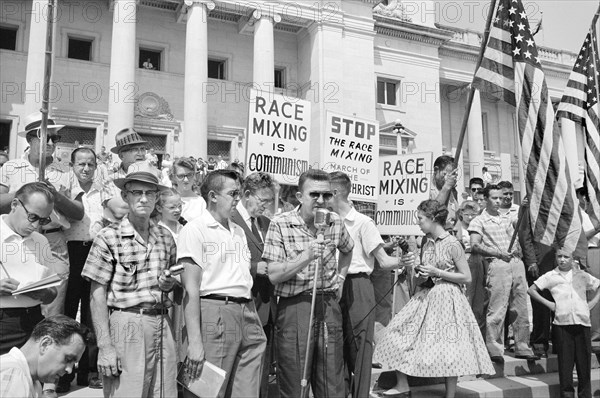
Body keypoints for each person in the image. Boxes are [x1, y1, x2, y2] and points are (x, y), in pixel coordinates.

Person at [373, 200, 494, 398]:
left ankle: (450, 394)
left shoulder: (453, 243)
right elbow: (425, 273)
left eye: (420, 218)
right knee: (397, 333)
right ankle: (402, 385)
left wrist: (438, 272)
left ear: (432, 218)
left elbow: (467, 277)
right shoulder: (426, 242)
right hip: (426, 294)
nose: (418, 222)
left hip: (448, 297)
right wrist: (421, 271)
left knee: (449, 345)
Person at [82, 163, 181, 398]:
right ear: (125, 196)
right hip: (126, 322)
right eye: (137, 192)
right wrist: (105, 347)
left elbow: (173, 282)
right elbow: (96, 295)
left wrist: (169, 284)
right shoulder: (108, 237)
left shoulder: (166, 237)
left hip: (161, 321)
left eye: (150, 193)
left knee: (164, 392)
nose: (144, 199)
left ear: (157, 198)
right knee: (126, 393)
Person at [263, 168, 354, 398]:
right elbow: (273, 274)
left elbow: (348, 249)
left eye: (326, 195)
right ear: (299, 196)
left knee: (331, 380)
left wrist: (341, 278)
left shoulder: (335, 221)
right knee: (296, 380)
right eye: (314, 194)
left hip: (328, 305)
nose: (321, 201)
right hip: (295, 307)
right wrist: (306, 256)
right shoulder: (280, 223)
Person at [178, 170, 266, 398]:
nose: (238, 198)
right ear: (213, 196)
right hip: (215, 311)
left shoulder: (238, 231)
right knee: (206, 390)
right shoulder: (195, 229)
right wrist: (195, 343)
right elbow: (190, 289)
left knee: (246, 392)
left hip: (247, 310)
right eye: (233, 193)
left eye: (239, 192)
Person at [328, 171, 415, 398]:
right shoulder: (326, 220)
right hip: (332, 284)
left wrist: (404, 261)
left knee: (360, 347)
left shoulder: (363, 223)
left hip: (357, 285)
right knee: (337, 345)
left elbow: (384, 261)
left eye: (326, 193)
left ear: (336, 193)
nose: (322, 199)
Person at [0, 113, 84, 323]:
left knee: (52, 309)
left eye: (54, 138)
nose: (50, 143)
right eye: (44, 136)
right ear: (29, 139)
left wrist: (56, 196)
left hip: (53, 243)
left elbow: (78, 213)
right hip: (15, 243)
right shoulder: (11, 167)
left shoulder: (65, 171)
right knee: (15, 301)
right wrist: (24, 192)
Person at [468, 184, 539, 363]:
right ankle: (494, 348)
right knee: (497, 308)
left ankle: (523, 345)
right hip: (497, 263)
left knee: (520, 305)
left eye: (500, 198)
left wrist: (523, 207)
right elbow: (475, 244)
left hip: (516, 262)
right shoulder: (479, 221)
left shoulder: (508, 217)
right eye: (494, 198)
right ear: (485, 199)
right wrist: (497, 253)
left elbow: (522, 225)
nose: (499, 201)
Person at [56, 148, 106, 392]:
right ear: (72, 166)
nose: (86, 169)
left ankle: (89, 372)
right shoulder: (64, 193)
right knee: (67, 312)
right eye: (81, 164)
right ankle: (63, 374)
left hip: (95, 253)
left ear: (96, 166)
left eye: (90, 164)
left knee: (92, 312)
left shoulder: (103, 194)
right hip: (70, 253)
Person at [528, 249, 600, 398]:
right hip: (562, 324)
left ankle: (584, 394)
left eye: (566, 257)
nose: (562, 260)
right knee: (565, 364)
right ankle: (567, 394)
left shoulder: (581, 275)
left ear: (572, 258)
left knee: (584, 364)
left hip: (582, 323)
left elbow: (597, 285)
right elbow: (532, 290)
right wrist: (549, 304)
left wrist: (591, 304)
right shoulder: (551, 276)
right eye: (559, 256)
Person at [230, 172, 276, 398]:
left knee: (261, 372)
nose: (266, 206)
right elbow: (221, 259)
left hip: (267, 307)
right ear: (247, 195)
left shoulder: (267, 223)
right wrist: (253, 267)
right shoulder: (228, 219)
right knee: (239, 371)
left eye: (269, 201)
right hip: (241, 306)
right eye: (262, 201)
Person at [1, 182, 58, 354]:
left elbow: (52, 292)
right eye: (32, 217)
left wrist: (42, 293)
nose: (35, 225)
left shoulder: (41, 241)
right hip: (3, 322)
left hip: (33, 322)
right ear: (15, 205)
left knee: (30, 380)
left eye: (43, 220)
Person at [0, 315, 87, 398]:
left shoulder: (31, 380)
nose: (69, 370)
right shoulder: (14, 376)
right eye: (68, 359)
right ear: (45, 344)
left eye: (73, 364)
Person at [455, 200, 487, 340]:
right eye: (467, 214)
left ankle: (477, 334)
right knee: (466, 296)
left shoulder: (478, 226)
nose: (470, 217)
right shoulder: (458, 227)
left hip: (478, 259)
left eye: (473, 214)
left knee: (479, 299)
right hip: (464, 260)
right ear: (461, 213)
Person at [170, 157, 206, 221]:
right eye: (181, 176)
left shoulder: (202, 203)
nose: (186, 180)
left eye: (189, 175)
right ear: (174, 177)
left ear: (194, 175)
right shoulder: (166, 200)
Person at [430, 155, 459, 229]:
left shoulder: (451, 190)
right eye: (445, 174)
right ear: (436, 170)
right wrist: (447, 187)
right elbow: (433, 212)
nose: (448, 178)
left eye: (452, 175)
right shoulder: (426, 190)